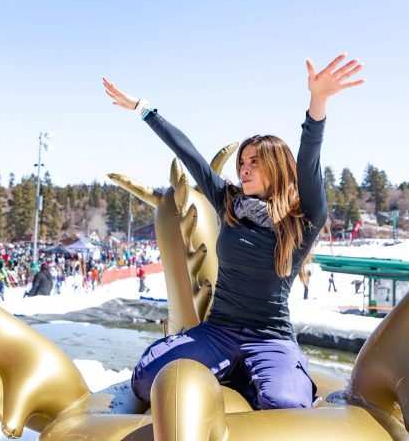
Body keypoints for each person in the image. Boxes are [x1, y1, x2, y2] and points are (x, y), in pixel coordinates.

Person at [102, 53, 364, 410]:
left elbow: (309, 158)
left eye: (254, 162)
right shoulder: (229, 203)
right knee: (147, 379)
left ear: (276, 166)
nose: (244, 169)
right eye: (242, 162)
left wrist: (318, 101)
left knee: (284, 406)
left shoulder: (302, 219)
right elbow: (189, 154)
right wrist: (143, 109)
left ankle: (271, 376)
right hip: (218, 332)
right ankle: (238, 373)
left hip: (270, 339)